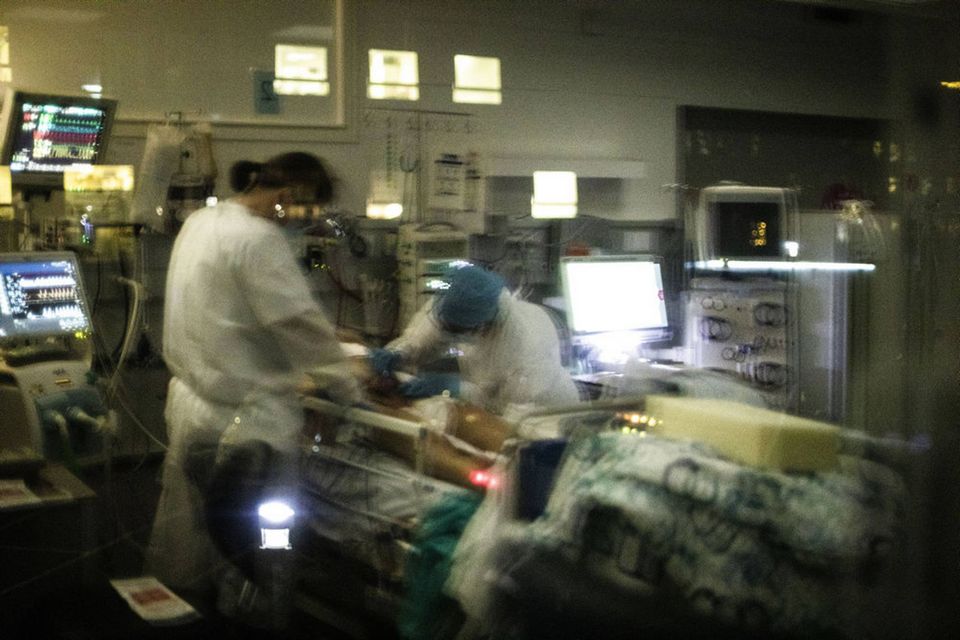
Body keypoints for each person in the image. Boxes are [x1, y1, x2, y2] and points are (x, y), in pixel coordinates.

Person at [145, 152, 364, 599]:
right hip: (249, 430)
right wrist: (349, 387)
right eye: (307, 212)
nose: (306, 224)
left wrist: (327, 337)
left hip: (194, 412)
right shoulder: (259, 239)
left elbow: (233, 311)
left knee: (197, 532)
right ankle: (257, 610)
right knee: (264, 537)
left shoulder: (203, 222)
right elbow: (296, 324)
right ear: (286, 195)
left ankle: (189, 609)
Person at [370, 265, 579, 420]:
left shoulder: (524, 348)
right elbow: (430, 333)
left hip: (545, 416)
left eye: (457, 330)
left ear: (483, 326)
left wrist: (452, 388)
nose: (448, 335)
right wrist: (399, 352)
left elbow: (499, 409)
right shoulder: (460, 298)